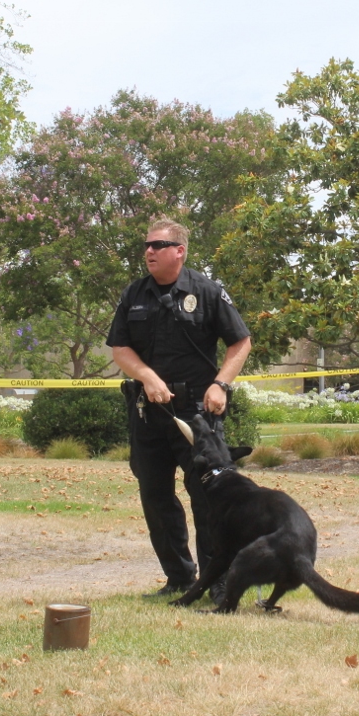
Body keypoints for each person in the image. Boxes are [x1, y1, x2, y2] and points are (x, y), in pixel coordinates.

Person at [107, 217, 252, 597]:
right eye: (147, 246)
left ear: (179, 251)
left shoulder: (206, 291)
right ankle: (180, 578)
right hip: (149, 411)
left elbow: (240, 343)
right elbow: (120, 348)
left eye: (157, 245)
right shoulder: (133, 294)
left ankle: (219, 581)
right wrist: (148, 377)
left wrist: (221, 384)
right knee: (155, 499)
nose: (148, 252)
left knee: (208, 499)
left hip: (197, 414)